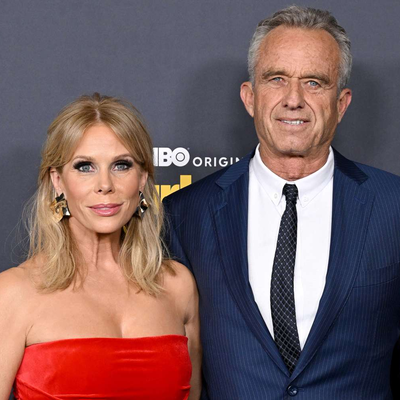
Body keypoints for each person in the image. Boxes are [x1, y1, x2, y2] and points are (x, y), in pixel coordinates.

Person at [163, 6, 400, 399]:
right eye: (277, 79)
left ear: (341, 103)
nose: (294, 99)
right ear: (250, 97)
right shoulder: (185, 214)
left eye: (314, 82)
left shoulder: (393, 207)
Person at [0, 93, 201, 399]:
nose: (105, 185)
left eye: (121, 165)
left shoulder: (177, 286)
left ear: (142, 179)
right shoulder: (13, 293)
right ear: (58, 181)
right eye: (85, 166)